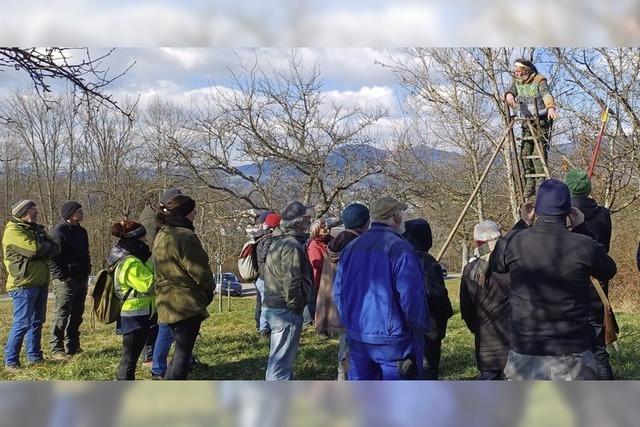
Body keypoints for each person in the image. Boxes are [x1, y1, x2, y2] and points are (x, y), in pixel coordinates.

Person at [490, 179, 617, 380]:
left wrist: (523, 223)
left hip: (526, 349)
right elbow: (608, 270)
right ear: (569, 211)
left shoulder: (515, 242)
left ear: (536, 209)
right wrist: (582, 227)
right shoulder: (583, 245)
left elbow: (496, 263)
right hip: (572, 352)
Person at [334, 197, 428, 380]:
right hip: (393, 343)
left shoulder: (351, 248)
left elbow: (339, 293)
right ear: (396, 216)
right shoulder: (401, 249)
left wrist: (351, 322)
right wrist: (418, 328)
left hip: (358, 336)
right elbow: (412, 299)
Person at [153, 195, 215, 380]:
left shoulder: (162, 233)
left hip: (166, 300)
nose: (196, 213)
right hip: (184, 302)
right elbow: (199, 270)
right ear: (186, 213)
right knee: (182, 354)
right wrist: (208, 289)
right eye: (193, 210)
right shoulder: (185, 236)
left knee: (179, 352)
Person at [565, 169, 614, 380]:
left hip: (570, 291)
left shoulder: (563, 216)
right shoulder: (603, 214)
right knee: (599, 351)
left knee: (570, 355)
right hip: (597, 289)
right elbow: (605, 250)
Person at [315, 203, 370, 380]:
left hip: (334, 304)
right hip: (352, 306)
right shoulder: (357, 245)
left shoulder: (333, 243)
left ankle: (341, 375)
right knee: (351, 348)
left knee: (344, 345)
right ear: (365, 223)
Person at [3, 200, 59, 372]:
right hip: (23, 284)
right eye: (33, 210)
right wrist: (44, 246)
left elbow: (56, 246)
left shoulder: (35, 229)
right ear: (23, 212)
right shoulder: (13, 231)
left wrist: (45, 246)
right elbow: (33, 249)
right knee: (22, 323)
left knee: (36, 322)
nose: (36, 213)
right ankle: (11, 361)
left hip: (40, 283)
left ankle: (34, 357)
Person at [263, 201, 314, 380]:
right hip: (285, 310)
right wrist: (296, 305)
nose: (310, 221)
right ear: (299, 222)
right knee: (280, 367)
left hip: (275, 306)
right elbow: (292, 281)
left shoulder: (278, 241)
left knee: (281, 363)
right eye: (307, 218)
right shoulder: (292, 245)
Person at [459, 220, 511, 380]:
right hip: (515, 343)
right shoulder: (511, 266)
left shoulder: (470, 271)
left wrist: (478, 329)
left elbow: (466, 309)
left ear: (477, 243)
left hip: (486, 344)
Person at [403, 218, 453, 380]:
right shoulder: (427, 262)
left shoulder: (398, 258)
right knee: (426, 371)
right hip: (427, 328)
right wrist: (446, 313)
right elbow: (437, 295)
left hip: (404, 329)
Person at [107, 220, 156, 380]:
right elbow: (148, 285)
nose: (146, 241)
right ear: (135, 239)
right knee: (129, 359)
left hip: (139, 314)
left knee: (131, 357)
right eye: (143, 238)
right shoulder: (131, 262)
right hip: (134, 315)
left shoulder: (130, 258)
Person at [138, 188, 181, 368]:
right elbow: (152, 249)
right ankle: (149, 356)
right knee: (152, 318)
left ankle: (154, 356)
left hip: (160, 270)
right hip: (153, 271)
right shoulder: (150, 220)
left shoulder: (159, 216)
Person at [505, 58, 558, 198]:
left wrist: (551, 107)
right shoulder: (517, 81)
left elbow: (546, 94)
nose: (516, 73)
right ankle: (529, 182)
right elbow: (510, 91)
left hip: (541, 120)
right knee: (525, 152)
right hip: (527, 120)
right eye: (515, 71)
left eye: (518, 71)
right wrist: (509, 95)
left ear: (526, 71)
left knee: (538, 152)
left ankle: (541, 184)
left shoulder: (539, 80)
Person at [49, 201, 91, 359]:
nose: (82, 213)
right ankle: (56, 348)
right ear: (71, 214)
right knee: (62, 313)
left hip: (81, 277)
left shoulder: (82, 231)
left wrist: (87, 269)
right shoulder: (58, 232)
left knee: (77, 314)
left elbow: (86, 252)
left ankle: (73, 346)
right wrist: (62, 276)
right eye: (79, 211)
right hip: (65, 280)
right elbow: (52, 258)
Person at [255, 212, 281, 338]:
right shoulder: (270, 239)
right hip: (266, 275)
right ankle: (264, 330)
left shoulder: (258, 237)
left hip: (259, 274)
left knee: (260, 303)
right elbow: (263, 257)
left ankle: (260, 327)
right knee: (267, 304)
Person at [304, 219, 333, 326]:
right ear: (316, 230)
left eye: (326, 225)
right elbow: (317, 263)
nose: (326, 228)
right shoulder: (314, 245)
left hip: (329, 276)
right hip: (319, 278)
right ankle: (310, 321)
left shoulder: (330, 241)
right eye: (323, 226)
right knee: (315, 301)